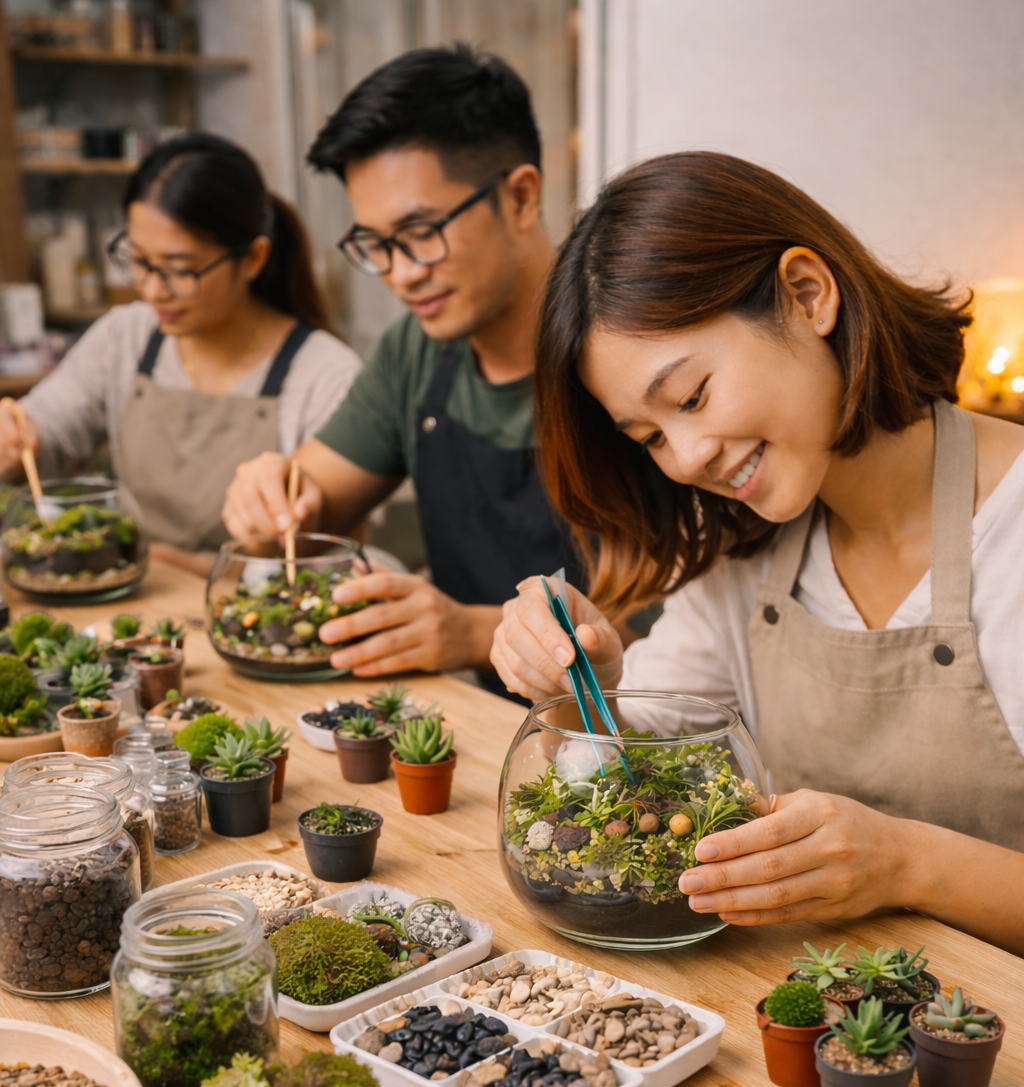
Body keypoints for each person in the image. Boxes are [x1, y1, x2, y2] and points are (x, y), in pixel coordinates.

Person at [490, 152, 1024, 954]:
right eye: (649, 437)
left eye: (693, 396)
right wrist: (583, 682)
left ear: (808, 295)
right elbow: (636, 760)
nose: (688, 456)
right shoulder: (749, 554)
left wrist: (906, 864)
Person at [221, 44, 590, 696]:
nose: (401, 272)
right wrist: (273, 493)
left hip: (630, 746)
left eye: (421, 232)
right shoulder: (417, 351)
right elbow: (313, 504)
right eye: (377, 245)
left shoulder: (622, 355)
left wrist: (473, 634)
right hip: (470, 723)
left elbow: (693, 641)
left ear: (522, 197)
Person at [0, 133, 361, 575]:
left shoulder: (324, 373)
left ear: (251, 259)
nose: (153, 289)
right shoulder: (125, 336)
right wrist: (17, 438)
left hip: (249, 620)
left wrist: (191, 568)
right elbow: (46, 430)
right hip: (129, 604)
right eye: (138, 259)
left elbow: (336, 551)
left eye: (178, 270)